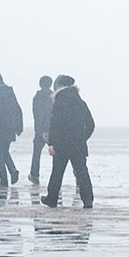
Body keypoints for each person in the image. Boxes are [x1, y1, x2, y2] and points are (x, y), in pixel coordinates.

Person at [41, 75, 95, 209]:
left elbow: (55, 125)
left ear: (59, 87)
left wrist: (52, 143)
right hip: (78, 144)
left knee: (57, 172)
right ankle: (88, 200)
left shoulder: (59, 102)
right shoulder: (81, 103)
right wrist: (82, 138)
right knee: (82, 172)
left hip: (62, 144)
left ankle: (52, 199)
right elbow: (91, 124)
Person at [0, 72, 23, 189]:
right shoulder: (9, 92)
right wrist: (19, 126)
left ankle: (4, 180)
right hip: (10, 128)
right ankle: (12, 170)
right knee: (5, 152)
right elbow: (18, 109)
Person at [29, 76, 54, 188]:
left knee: (36, 153)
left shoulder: (38, 97)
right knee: (56, 153)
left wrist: (41, 130)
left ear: (40, 84)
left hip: (41, 129)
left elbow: (37, 115)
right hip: (53, 129)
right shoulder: (54, 96)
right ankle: (56, 176)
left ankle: (35, 175)